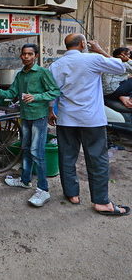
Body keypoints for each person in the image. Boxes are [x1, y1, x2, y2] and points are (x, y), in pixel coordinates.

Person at [49, 34, 130, 216]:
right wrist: (99, 49)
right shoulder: (93, 58)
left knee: (67, 156)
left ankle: (72, 194)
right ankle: (101, 202)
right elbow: (120, 67)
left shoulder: (56, 65)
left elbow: (52, 91)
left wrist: (50, 111)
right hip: (91, 119)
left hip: (66, 118)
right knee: (97, 159)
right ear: (83, 44)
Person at [0, 44, 60, 207]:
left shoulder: (42, 72)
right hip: (25, 117)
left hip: (39, 117)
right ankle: (25, 180)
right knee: (25, 149)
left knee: (37, 153)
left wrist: (36, 97)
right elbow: (11, 93)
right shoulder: (20, 75)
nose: (26, 57)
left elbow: (55, 91)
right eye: (24, 54)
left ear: (36, 56)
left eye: (30, 54)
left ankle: (43, 190)